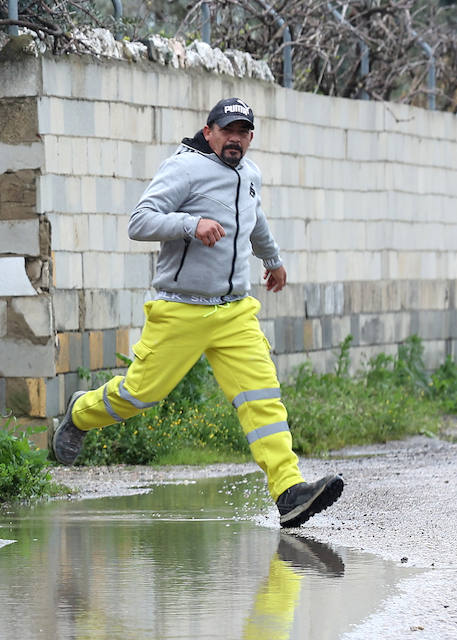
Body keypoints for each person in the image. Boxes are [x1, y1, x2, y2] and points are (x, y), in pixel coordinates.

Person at [52, 97, 343, 528]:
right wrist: (192, 224)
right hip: (181, 310)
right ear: (209, 132)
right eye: (227, 130)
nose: (235, 139)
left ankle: (288, 491)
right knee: (140, 395)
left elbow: (255, 219)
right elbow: (140, 221)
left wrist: (273, 260)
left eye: (244, 132)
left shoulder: (250, 175)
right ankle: (81, 413)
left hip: (235, 313)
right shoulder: (184, 168)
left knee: (262, 399)